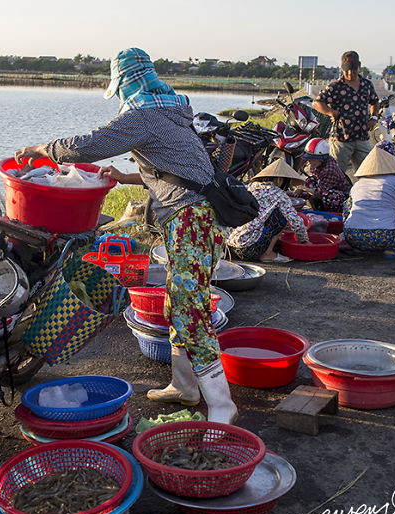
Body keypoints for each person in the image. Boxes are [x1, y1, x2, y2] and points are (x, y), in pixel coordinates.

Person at [13, 48, 237, 425]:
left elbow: (87, 146)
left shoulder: (144, 115)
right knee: (177, 301)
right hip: (204, 219)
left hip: (191, 221)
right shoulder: (173, 112)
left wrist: (41, 149)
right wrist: (124, 177)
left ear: (126, 85)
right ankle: (185, 386)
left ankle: (221, 403)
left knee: (190, 308)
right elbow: (172, 170)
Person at [342, 147, 395, 257]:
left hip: (353, 236)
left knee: (348, 204)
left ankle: (350, 245)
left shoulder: (358, 184)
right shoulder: (394, 181)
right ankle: (391, 250)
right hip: (385, 237)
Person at [227, 158, 309, 263]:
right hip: (250, 250)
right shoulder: (280, 195)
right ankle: (267, 253)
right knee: (282, 216)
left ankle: (264, 250)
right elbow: (296, 222)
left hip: (231, 247)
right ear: (279, 179)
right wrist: (304, 241)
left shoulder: (250, 187)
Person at [312, 50, 380, 174]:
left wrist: (374, 118)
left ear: (359, 67)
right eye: (346, 70)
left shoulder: (366, 85)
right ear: (342, 68)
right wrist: (330, 112)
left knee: (368, 173)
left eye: (353, 70)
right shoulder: (335, 86)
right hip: (341, 138)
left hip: (362, 137)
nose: (350, 73)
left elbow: (375, 102)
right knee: (337, 174)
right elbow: (317, 103)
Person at [293, 138, 352, 212]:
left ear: (322, 158)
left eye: (313, 159)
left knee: (328, 196)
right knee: (309, 181)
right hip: (325, 187)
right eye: (309, 159)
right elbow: (314, 178)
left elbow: (320, 192)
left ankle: (333, 213)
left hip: (342, 196)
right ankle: (317, 207)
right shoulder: (317, 165)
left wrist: (304, 189)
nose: (310, 161)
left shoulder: (329, 169)